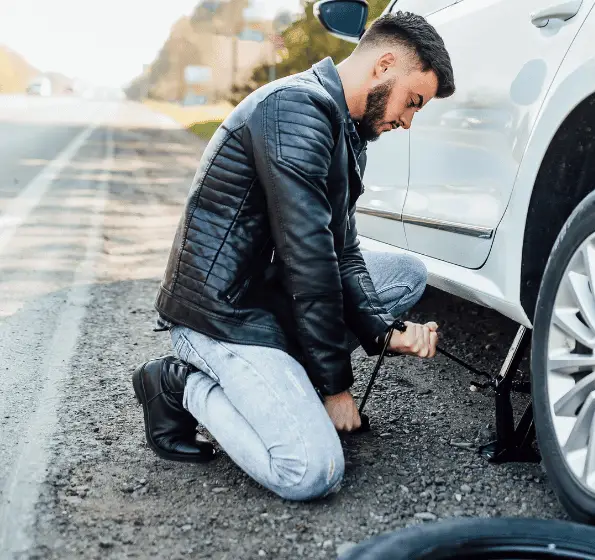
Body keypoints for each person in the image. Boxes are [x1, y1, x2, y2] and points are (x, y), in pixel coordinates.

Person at [131, 11, 455, 501]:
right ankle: (178, 384)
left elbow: (342, 252)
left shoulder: (347, 130)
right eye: (412, 102)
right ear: (384, 64)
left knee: (405, 274)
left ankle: (283, 382)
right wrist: (335, 389)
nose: (407, 121)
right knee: (310, 470)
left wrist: (384, 331)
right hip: (222, 315)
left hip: (268, 296)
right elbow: (310, 261)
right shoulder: (294, 110)